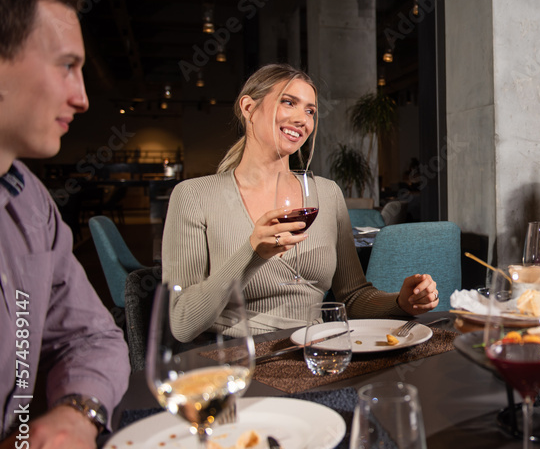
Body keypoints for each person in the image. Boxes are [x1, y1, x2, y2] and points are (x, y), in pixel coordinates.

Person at [0, 0, 223, 449]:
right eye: (66, 66)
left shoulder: (28, 202)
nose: (82, 96)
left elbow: (94, 337)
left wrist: (76, 411)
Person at [163, 64, 438, 342]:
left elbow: (353, 296)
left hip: (316, 350)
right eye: (288, 102)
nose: (302, 119)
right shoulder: (193, 196)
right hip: (235, 357)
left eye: (310, 111)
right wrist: (252, 254)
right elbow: (183, 323)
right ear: (248, 108)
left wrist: (401, 303)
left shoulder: (326, 194)